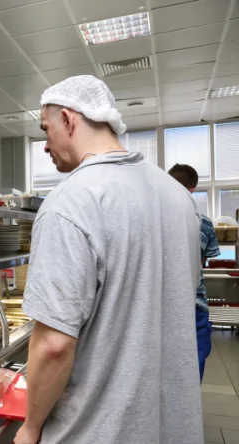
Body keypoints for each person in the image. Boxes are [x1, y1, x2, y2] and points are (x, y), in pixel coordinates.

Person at [14, 76, 202, 444]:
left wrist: (30, 427)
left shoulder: (69, 202)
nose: (45, 145)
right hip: (172, 427)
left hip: (99, 430)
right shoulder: (179, 197)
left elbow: (54, 346)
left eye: (46, 129)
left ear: (68, 119)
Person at [168, 163, 220, 381]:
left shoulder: (149, 219)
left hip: (159, 303)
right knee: (193, 362)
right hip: (193, 302)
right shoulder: (204, 223)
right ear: (193, 188)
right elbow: (201, 263)